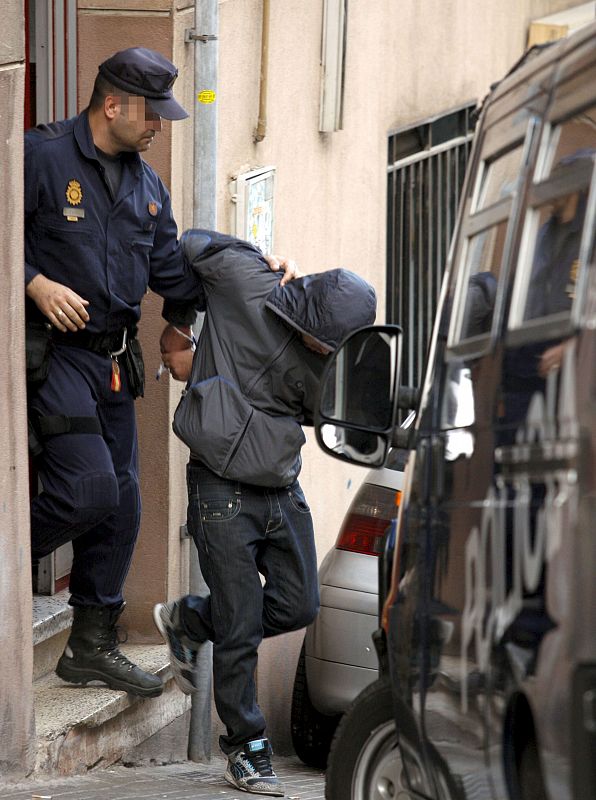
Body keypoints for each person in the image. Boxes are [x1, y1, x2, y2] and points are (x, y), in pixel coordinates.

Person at [25, 47, 295, 699]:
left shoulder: (147, 188)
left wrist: (258, 273)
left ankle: (89, 642)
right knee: (86, 490)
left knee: (122, 502)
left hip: (115, 362)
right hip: (54, 356)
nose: (160, 128)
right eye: (151, 114)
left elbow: (175, 273)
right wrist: (32, 283)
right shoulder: (42, 155)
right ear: (112, 104)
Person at [154, 229, 377, 796]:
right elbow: (186, 248)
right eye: (328, 344)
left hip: (280, 488)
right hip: (221, 488)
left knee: (298, 603)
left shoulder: (331, 361)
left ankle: (189, 620)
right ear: (309, 317)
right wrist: (180, 329)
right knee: (240, 622)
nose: (330, 356)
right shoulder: (248, 280)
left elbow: (328, 413)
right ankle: (246, 748)